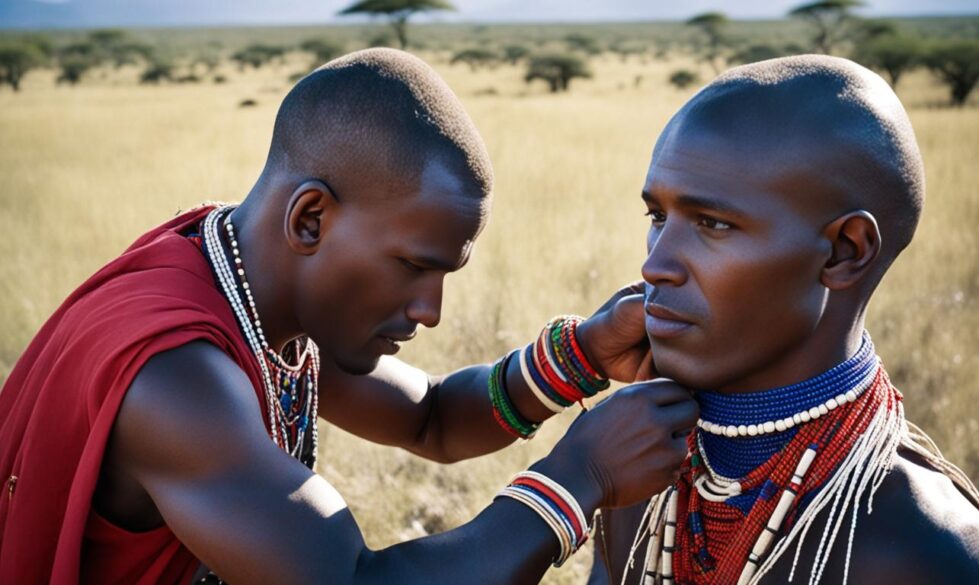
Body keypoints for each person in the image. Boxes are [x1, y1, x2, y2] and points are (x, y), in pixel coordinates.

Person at [0, 48, 698, 584]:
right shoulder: (178, 382)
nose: (430, 309)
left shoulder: (250, 281)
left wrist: (582, 355)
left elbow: (428, 417)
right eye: (413, 266)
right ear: (310, 219)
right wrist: (581, 475)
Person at [588, 55, 979, 585]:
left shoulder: (928, 550)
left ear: (844, 252)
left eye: (713, 224)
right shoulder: (636, 464)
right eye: (658, 217)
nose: (655, 265)